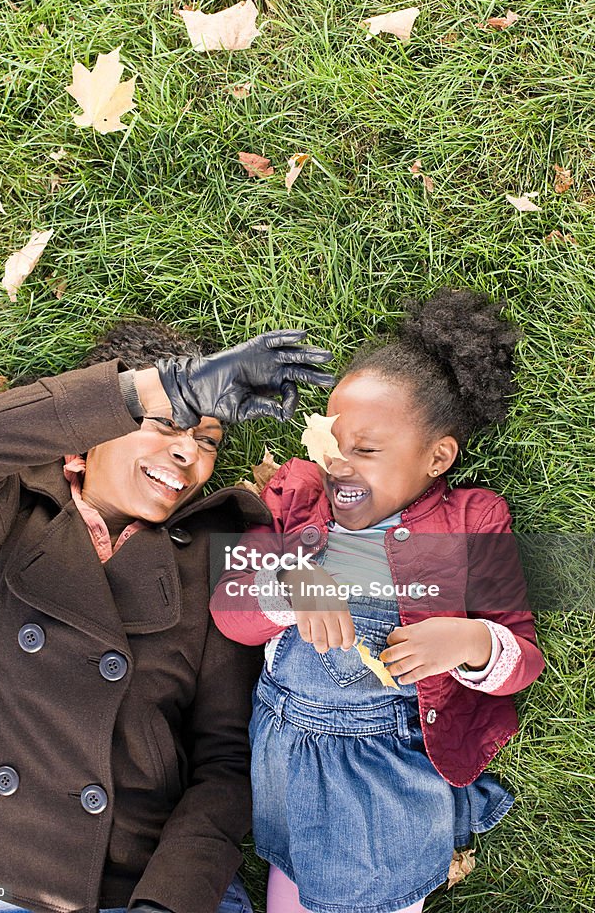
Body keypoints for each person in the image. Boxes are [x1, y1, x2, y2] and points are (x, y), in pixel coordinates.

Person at [0, 322, 335, 913]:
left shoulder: (214, 556)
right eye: (167, 423)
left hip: (162, 881)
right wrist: (160, 387)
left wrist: (168, 901)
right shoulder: (13, 521)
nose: (190, 455)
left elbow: (225, 761)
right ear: (87, 436)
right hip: (12, 879)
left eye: (209, 441)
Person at [210, 288, 546, 913]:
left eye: (366, 451)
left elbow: (521, 657)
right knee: (293, 882)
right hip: (289, 752)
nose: (341, 467)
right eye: (333, 447)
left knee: (371, 892)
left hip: (389, 764)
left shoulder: (473, 521)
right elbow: (230, 611)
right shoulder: (298, 503)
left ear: (437, 456)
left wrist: (470, 643)